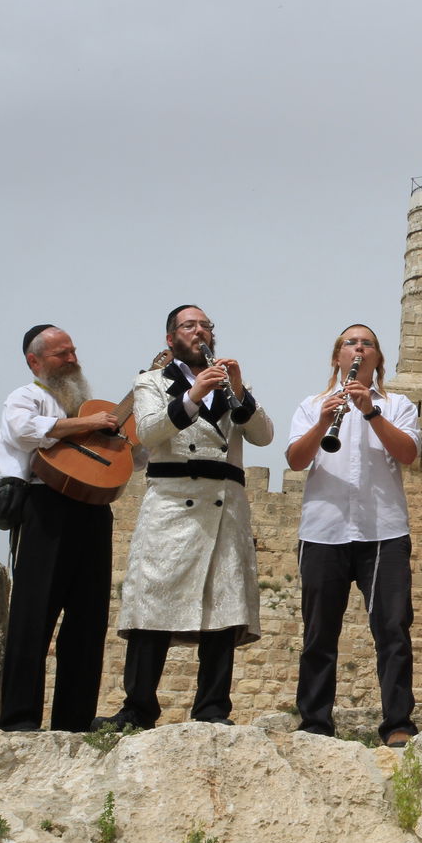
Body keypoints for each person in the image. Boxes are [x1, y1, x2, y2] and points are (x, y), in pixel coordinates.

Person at [96, 305, 273, 730]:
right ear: (170, 337)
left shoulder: (232, 387)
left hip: (224, 507)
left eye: (206, 326)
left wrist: (240, 391)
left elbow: (263, 436)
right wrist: (193, 396)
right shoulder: (152, 382)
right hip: (172, 505)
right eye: (189, 326)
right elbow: (152, 430)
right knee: (151, 602)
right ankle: (138, 709)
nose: (200, 332)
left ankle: (212, 709)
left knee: (221, 606)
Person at [285, 324, 420, 748]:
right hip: (324, 530)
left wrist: (371, 413)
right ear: (337, 357)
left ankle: (398, 723)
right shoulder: (311, 405)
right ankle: (315, 722)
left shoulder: (397, 405)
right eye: (350, 343)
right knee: (318, 631)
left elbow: (409, 454)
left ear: (378, 359)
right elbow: (295, 460)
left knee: (393, 630)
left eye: (367, 344)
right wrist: (325, 419)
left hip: (384, 530)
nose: (358, 349)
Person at [0, 325, 118, 732]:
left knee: (89, 616)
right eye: (60, 354)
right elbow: (24, 432)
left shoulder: (86, 407)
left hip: (93, 508)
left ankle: (75, 720)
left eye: (72, 351)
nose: (71, 359)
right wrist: (84, 426)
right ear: (35, 361)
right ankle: (19, 718)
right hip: (46, 505)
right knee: (34, 612)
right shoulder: (26, 396)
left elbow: (129, 459)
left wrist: (122, 434)